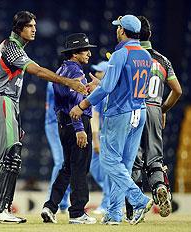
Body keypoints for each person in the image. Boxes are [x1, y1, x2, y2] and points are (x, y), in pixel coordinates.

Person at [0, 11, 88, 224]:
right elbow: (38, 71)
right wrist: (68, 82)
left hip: (7, 101)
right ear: (19, 28)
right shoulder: (11, 47)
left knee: (11, 155)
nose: (34, 29)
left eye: (35, 25)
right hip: (3, 99)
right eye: (30, 26)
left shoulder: (15, 48)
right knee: (10, 156)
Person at [69, 15, 154, 225]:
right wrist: (102, 83)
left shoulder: (120, 54)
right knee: (123, 166)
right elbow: (119, 83)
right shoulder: (145, 54)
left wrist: (82, 105)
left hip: (120, 112)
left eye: (118, 28)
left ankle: (139, 199)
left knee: (109, 160)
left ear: (123, 31)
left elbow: (108, 89)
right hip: (139, 110)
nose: (116, 31)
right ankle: (115, 213)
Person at [125, 15, 182, 220]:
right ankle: (159, 186)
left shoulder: (131, 55)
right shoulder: (162, 59)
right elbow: (177, 90)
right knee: (155, 158)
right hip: (156, 109)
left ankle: (133, 210)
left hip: (134, 109)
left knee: (134, 160)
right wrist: (163, 109)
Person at [41, 33, 97, 225]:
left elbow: (66, 98)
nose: (89, 53)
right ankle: (77, 212)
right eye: (85, 49)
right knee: (80, 167)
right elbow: (75, 102)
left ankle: (50, 206)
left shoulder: (61, 70)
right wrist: (80, 128)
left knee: (68, 167)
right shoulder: (77, 73)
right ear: (74, 53)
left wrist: (89, 88)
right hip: (77, 123)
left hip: (62, 123)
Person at [45, 82, 70, 213]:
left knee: (68, 163)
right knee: (60, 162)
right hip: (54, 124)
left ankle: (63, 203)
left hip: (66, 124)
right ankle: (50, 201)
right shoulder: (53, 83)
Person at [89, 61, 110, 215]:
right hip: (104, 135)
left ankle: (107, 203)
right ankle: (111, 200)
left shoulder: (103, 91)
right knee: (97, 169)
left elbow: (94, 117)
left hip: (107, 136)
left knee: (108, 171)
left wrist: (95, 139)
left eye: (99, 72)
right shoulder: (102, 91)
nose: (96, 74)